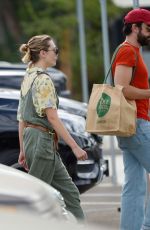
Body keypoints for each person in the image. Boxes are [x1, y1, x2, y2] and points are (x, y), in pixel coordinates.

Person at [17, 34, 88, 221]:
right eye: (54, 50)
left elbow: (22, 119)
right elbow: (53, 118)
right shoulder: (43, 79)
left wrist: (23, 149)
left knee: (70, 193)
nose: (57, 54)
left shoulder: (29, 75)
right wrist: (74, 146)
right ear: (42, 53)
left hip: (35, 141)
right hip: (41, 142)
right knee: (36, 201)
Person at [111, 8, 150, 230]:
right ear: (134, 28)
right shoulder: (128, 51)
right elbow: (122, 89)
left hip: (132, 125)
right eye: (147, 28)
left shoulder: (132, 51)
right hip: (135, 124)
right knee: (134, 186)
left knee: (134, 186)